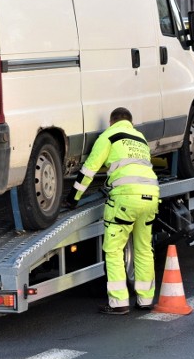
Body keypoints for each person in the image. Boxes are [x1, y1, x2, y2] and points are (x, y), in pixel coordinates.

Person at [67, 107, 159, 314]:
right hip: (151, 195)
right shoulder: (140, 138)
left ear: (111, 122)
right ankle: (145, 300)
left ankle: (118, 302)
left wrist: (73, 198)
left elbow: (89, 169)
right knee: (144, 248)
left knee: (114, 249)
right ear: (130, 123)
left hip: (126, 198)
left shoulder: (109, 135)